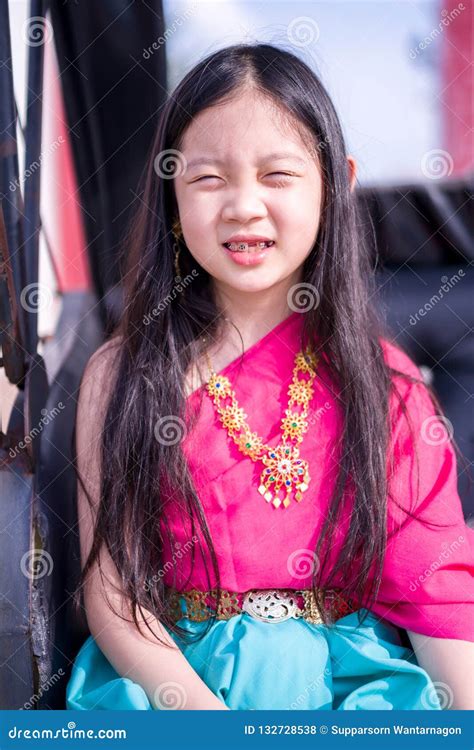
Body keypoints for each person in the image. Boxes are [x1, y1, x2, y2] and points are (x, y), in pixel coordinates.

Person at [65, 43, 474, 711]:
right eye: (208, 179)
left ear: (336, 182)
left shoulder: (386, 385)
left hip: (350, 690)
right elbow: (115, 598)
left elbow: (436, 594)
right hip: (174, 687)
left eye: (278, 174)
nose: (244, 206)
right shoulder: (123, 375)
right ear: (170, 190)